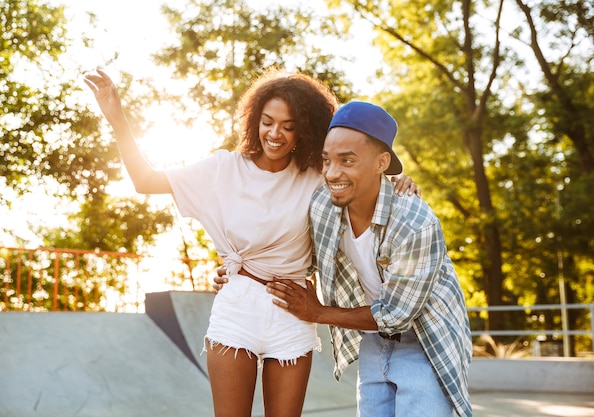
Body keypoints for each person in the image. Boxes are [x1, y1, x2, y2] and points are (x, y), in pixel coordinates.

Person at [84, 69, 418, 417]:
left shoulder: (315, 177)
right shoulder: (223, 169)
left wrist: (397, 181)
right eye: (267, 121)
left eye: (288, 125)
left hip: (291, 312)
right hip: (238, 307)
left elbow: (360, 180)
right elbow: (145, 180)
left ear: (303, 128)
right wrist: (117, 118)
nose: (275, 133)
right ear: (253, 119)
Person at [266, 101, 472, 416]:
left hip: (426, 342)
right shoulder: (322, 204)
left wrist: (319, 313)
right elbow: (296, 255)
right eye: (327, 160)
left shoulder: (415, 224)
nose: (333, 173)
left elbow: (395, 314)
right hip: (373, 343)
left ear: (382, 163)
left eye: (347, 160)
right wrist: (234, 266)